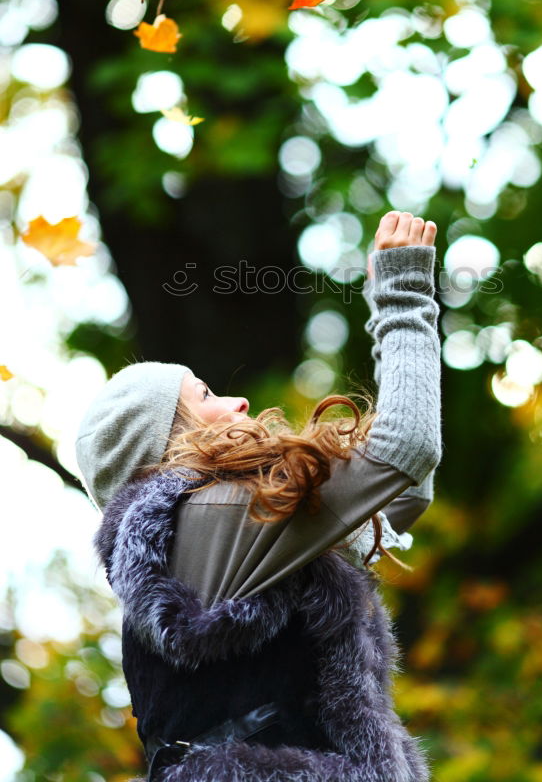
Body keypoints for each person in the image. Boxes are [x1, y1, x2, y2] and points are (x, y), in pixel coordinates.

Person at [76, 209, 443, 782]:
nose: (238, 404)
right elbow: (408, 450)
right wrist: (403, 293)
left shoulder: (205, 534)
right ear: (171, 437)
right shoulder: (212, 521)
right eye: (206, 394)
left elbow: (401, 494)